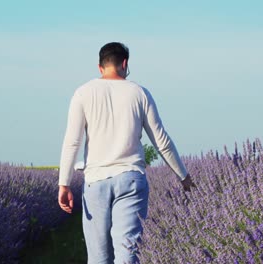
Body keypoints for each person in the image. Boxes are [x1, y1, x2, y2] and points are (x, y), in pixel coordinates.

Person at [58, 42, 195, 264]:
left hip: (96, 181)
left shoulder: (83, 93)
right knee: (128, 253)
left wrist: (63, 184)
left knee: (98, 258)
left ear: (100, 67)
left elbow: (72, 142)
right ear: (125, 64)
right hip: (131, 179)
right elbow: (161, 141)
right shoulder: (139, 93)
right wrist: (184, 176)